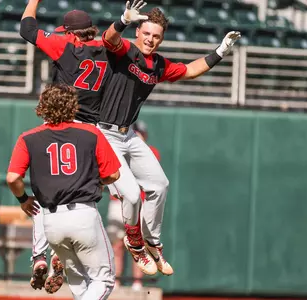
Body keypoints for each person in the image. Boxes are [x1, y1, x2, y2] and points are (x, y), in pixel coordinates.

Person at [99, 1, 240, 276]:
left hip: (128, 134)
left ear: (161, 39)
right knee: (130, 195)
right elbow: (108, 38)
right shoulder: (126, 50)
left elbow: (189, 70)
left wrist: (220, 51)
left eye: (157, 36)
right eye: (147, 34)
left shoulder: (158, 64)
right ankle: (135, 242)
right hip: (104, 132)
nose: (151, 39)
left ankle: (152, 242)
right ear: (138, 32)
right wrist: (122, 21)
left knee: (160, 185)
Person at [19, 1, 111, 292]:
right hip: (92, 129)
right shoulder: (106, 50)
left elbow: (27, 28)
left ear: (71, 33)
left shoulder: (66, 47)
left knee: (45, 193)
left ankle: (41, 255)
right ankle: (62, 256)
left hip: (60, 122)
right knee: (82, 193)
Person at [7, 84, 121, 300]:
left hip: (51, 221)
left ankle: (41, 258)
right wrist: (98, 182)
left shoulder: (28, 137)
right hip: (83, 214)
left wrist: (23, 199)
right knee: (103, 280)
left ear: (42, 108)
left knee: (80, 284)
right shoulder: (90, 132)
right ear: (72, 106)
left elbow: (13, 178)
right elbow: (113, 175)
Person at [106, 120, 159, 291]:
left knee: (139, 245)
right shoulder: (119, 149)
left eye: (139, 133)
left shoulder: (150, 152)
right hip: (119, 203)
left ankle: (137, 282)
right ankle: (117, 280)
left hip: (141, 205)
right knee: (117, 244)